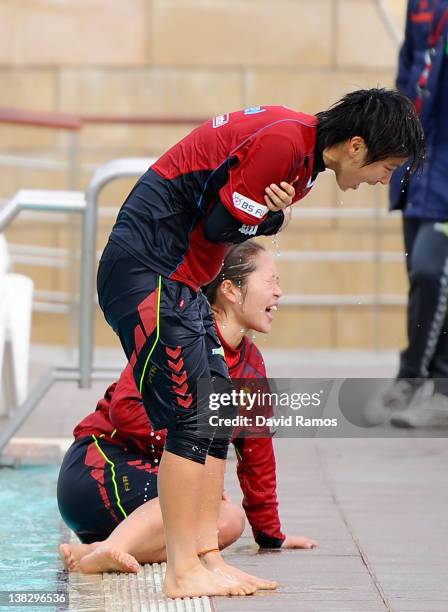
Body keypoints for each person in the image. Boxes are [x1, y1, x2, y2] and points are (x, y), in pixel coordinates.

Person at [96, 91, 424, 598]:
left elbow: (235, 219)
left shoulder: (304, 160)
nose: (385, 180)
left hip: (179, 280)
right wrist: (272, 218)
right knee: (191, 417)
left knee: (217, 413)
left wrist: (270, 216)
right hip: (150, 273)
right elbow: (224, 227)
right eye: (388, 166)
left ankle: (205, 556)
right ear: (356, 146)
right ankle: (183, 568)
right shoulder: (285, 145)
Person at [58, 242, 317, 584]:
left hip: (141, 493)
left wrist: (271, 535)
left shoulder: (251, 366)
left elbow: (257, 455)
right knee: (197, 501)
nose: (279, 292)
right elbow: (126, 410)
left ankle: (98, 551)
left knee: (227, 521)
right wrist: (194, 459)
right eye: (270, 281)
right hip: (99, 468)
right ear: (229, 290)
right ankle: (108, 549)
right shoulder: (180, 337)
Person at [365, 1, 448, 428]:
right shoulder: (422, 4)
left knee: (436, 271)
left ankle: (434, 382)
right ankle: (417, 379)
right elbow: (409, 70)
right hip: (420, 168)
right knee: (420, 272)